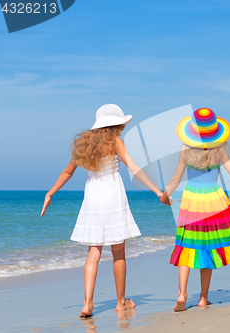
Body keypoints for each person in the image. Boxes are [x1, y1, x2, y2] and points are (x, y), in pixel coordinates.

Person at [40, 104, 166, 318]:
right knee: (118, 251)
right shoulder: (115, 142)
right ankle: (120, 302)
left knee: (94, 251)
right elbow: (134, 169)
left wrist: (49, 193)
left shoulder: (84, 144)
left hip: (93, 197)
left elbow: (67, 172)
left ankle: (87, 303)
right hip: (113, 195)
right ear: (115, 125)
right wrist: (157, 191)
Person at [160, 107, 230, 312]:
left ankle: (181, 294)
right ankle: (203, 298)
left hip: (191, 201)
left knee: (187, 246)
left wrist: (165, 196)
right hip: (214, 201)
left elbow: (175, 178)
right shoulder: (219, 150)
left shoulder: (186, 151)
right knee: (208, 247)